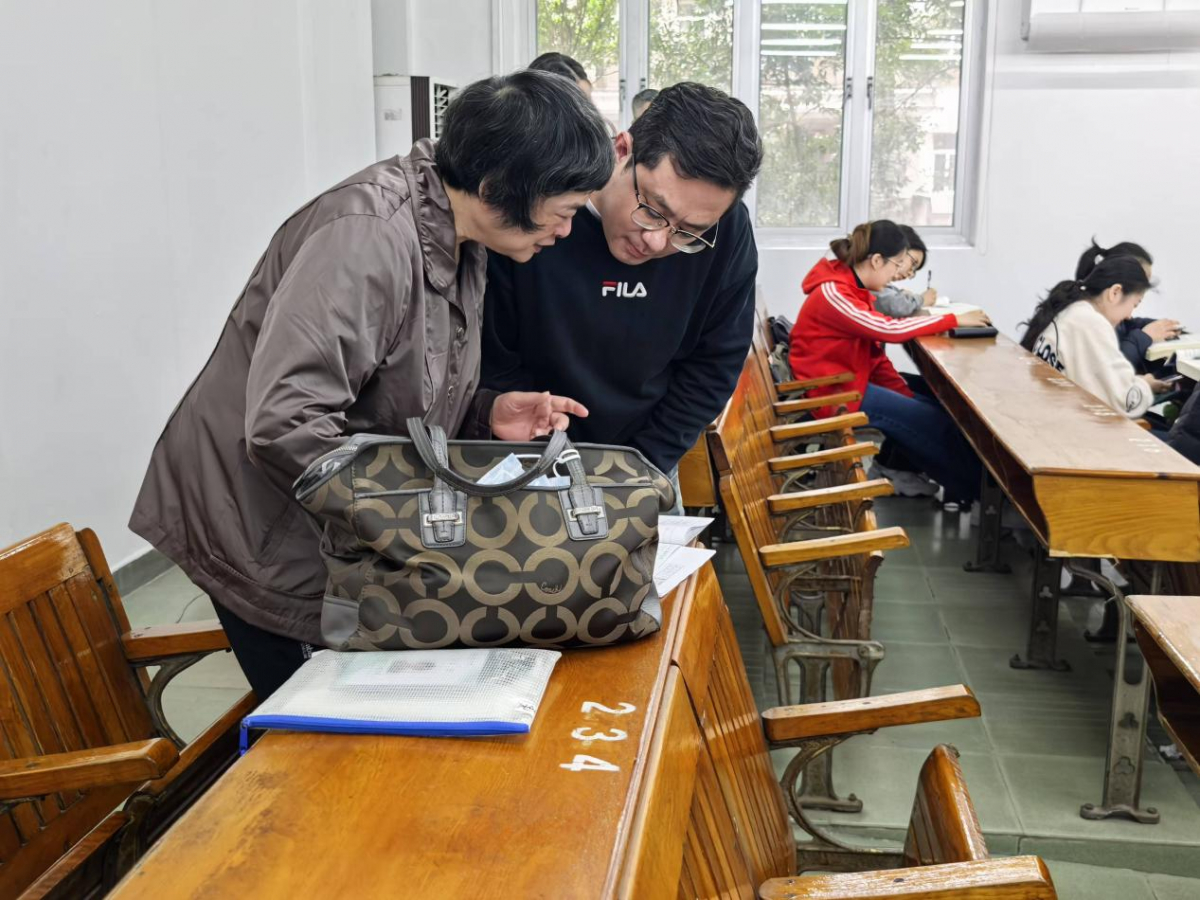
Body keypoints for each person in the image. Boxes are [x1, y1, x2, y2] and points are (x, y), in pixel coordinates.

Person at [128, 71, 615, 699]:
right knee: (332, 732)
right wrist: (418, 530)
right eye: (565, 211)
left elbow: (391, 384)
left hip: (323, 526)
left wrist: (485, 412)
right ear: (497, 187)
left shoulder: (462, 234)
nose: (566, 232)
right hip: (264, 529)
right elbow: (286, 425)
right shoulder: (368, 238)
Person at [480, 82, 763, 503]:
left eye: (688, 232)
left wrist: (643, 466)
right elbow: (494, 353)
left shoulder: (728, 231)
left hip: (647, 463)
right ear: (621, 151)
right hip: (526, 456)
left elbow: (715, 363)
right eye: (653, 209)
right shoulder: (542, 204)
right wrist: (548, 457)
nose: (656, 241)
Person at [788, 220, 991, 505]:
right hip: (832, 393)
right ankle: (980, 496)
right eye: (896, 264)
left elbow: (873, 355)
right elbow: (888, 330)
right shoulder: (833, 292)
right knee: (932, 423)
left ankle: (971, 489)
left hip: (849, 383)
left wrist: (902, 392)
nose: (897, 274)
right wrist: (952, 320)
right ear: (876, 260)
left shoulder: (853, 288)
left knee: (935, 406)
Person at [1021, 256, 1166, 418]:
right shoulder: (1091, 324)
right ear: (1115, 292)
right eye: (1134, 304)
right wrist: (1145, 385)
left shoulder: (1072, 309)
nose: (1129, 316)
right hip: (1058, 423)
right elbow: (1123, 402)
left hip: (1041, 414)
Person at [1075, 240, 1180, 373]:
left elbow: (1126, 324)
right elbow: (1111, 371)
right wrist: (1144, 336)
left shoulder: (1089, 308)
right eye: (1142, 280)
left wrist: (1159, 326)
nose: (1143, 288)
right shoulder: (1090, 323)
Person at [874, 225, 937, 318]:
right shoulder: (871, 281)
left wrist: (902, 294)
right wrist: (922, 299)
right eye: (913, 263)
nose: (910, 274)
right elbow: (896, 305)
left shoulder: (881, 282)